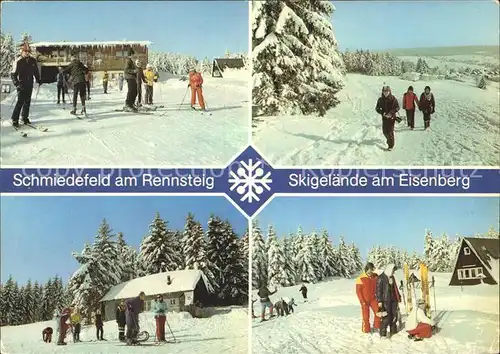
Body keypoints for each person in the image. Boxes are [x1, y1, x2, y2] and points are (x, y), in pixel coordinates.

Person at [10, 42, 41, 127]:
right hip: (21, 84)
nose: (27, 52)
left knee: (27, 102)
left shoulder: (32, 60)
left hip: (29, 84)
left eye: (28, 51)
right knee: (20, 102)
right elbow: (13, 74)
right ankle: (14, 119)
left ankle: (24, 118)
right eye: (25, 51)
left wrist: (38, 80)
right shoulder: (18, 61)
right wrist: (16, 83)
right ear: (22, 51)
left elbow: (36, 72)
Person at [376, 264, 402, 338]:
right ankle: (383, 333)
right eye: (393, 270)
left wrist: (398, 296)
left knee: (394, 315)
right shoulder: (380, 278)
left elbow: (395, 288)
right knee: (386, 317)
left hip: (393, 299)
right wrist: (379, 301)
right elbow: (378, 291)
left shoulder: (392, 277)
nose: (393, 272)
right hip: (385, 300)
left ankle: (393, 331)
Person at [356, 262, 381, 334]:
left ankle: (376, 327)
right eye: (368, 271)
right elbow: (358, 292)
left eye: (371, 271)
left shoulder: (375, 277)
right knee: (366, 316)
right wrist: (362, 301)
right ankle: (366, 330)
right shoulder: (360, 278)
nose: (370, 273)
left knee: (378, 312)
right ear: (366, 270)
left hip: (373, 299)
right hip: (365, 300)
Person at [375, 85, 400, 151]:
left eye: (387, 91)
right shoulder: (380, 99)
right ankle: (389, 140)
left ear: (389, 91)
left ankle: (391, 145)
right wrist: (383, 113)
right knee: (384, 132)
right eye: (384, 91)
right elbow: (377, 108)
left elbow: (397, 107)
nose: (386, 93)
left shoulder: (393, 98)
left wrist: (391, 113)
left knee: (390, 131)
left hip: (392, 118)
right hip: (384, 118)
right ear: (382, 92)